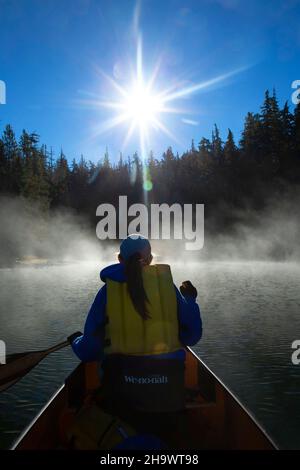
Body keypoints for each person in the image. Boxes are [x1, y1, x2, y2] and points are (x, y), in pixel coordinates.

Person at [68, 234, 202, 443]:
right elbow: (192, 336)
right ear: (150, 260)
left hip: (122, 397)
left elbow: (88, 352)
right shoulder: (168, 289)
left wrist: (75, 341)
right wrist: (190, 301)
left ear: (120, 259)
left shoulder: (107, 292)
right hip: (168, 394)